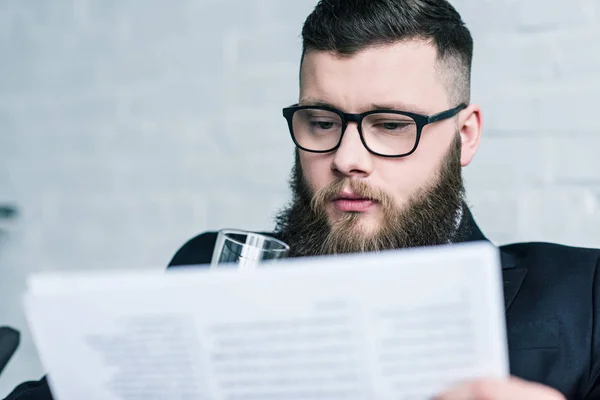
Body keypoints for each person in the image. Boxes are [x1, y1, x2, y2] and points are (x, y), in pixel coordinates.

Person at [4, 0, 600, 399]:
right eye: (322, 121)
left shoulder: (583, 293)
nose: (347, 157)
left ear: (464, 136)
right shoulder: (214, 270)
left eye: (391, 124)